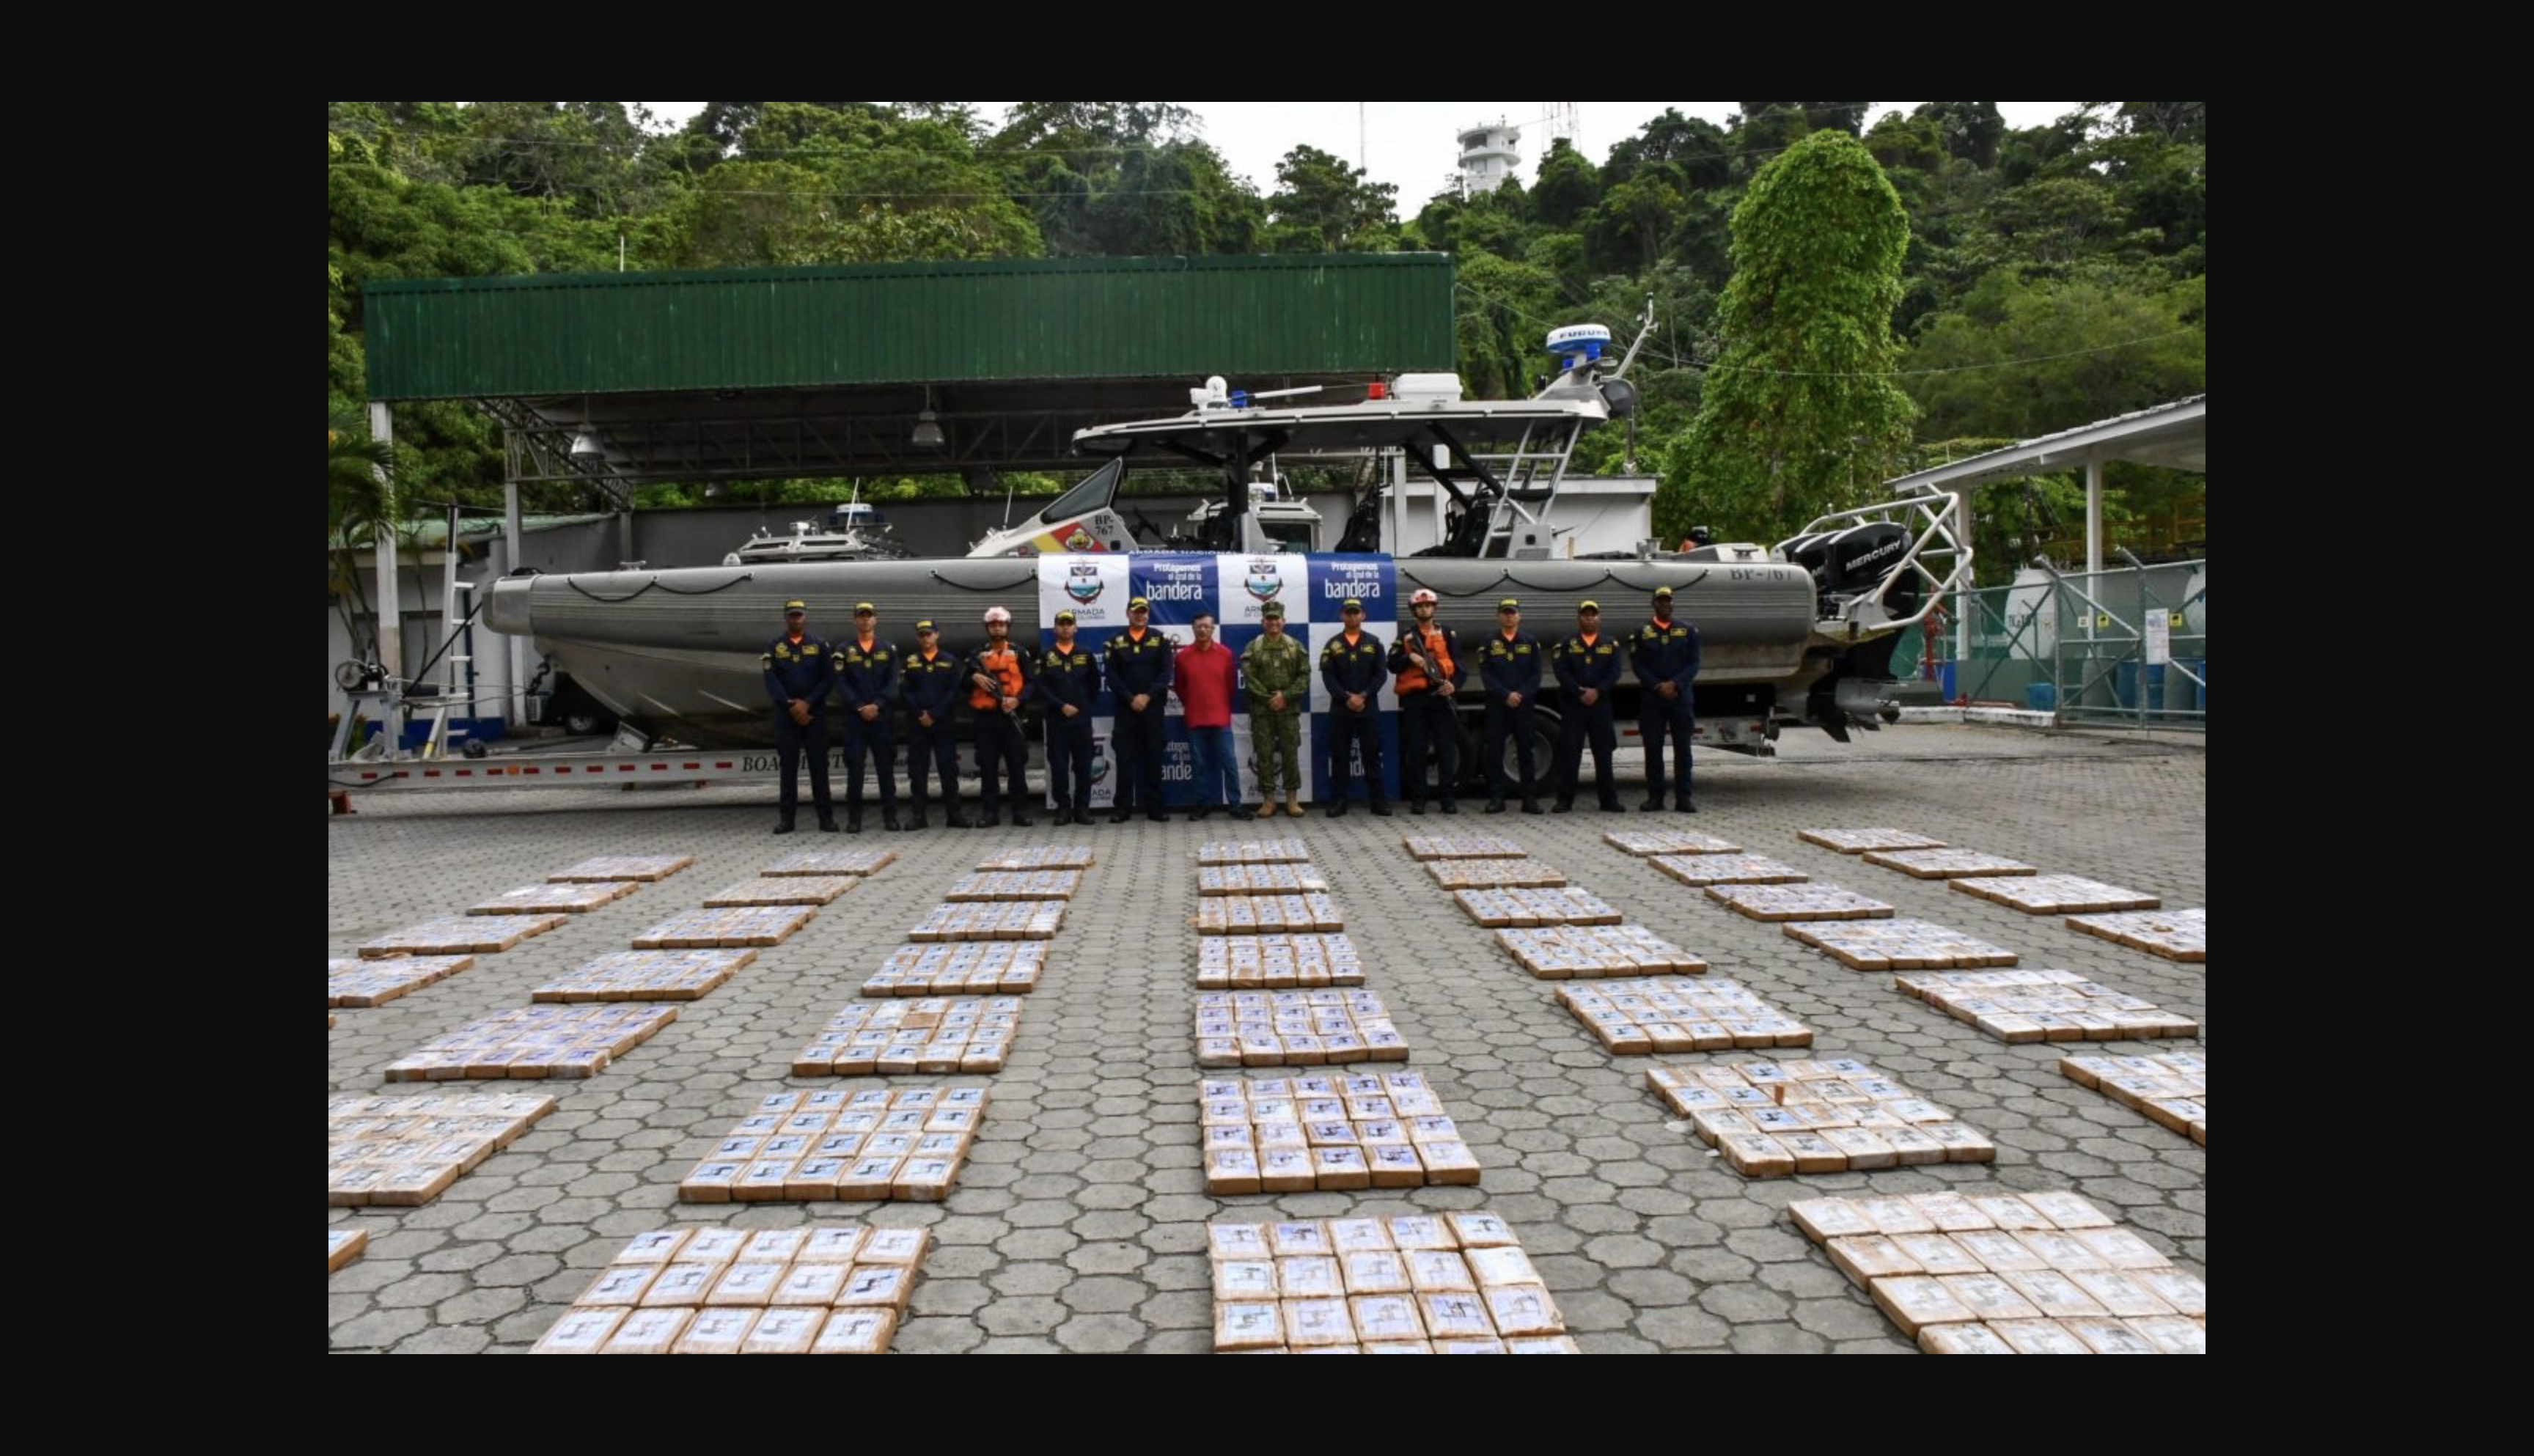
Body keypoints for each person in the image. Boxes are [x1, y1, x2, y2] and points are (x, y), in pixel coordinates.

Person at [761, 599, 839, 834]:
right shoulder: (775, 647)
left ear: (806, 617)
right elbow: (770, 679)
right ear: (786, 618)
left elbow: (829, 678)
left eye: (799, 615)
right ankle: (787, 820)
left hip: (813, 715)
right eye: (792, 615)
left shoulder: (819, 645)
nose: (796, 619)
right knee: (788, 769)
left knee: (819, 768)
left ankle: (826, 819)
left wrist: (807, 703)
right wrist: (790, 705)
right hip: (787, 717)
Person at [1389, 587, 1464, 815]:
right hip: (1415, 700)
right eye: (1420, 606)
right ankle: (1418, 800)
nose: (1424, 609)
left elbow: (1460, 668)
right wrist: (1408, 657)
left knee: (1445, 750)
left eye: (1428, 605)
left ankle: (1448, 800)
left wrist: (1454, 686)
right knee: (1417, 750)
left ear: (1434, 608)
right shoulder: (1405, 637)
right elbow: (1391, 664)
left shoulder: (1448, 634)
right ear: (1414, 610)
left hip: (1442, 698)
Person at [831, 602, 901, 834]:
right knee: (856, 770)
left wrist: (877, 705)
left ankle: (890, 818)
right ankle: (855, 820)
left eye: (869, 616)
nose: (865, 620)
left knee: (885, 770)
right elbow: (840, 682)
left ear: (875, 620)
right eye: (860, 616)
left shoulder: (887, 649)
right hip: (855, 719)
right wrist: (860, 706)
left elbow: (893, 682)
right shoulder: (843, 650)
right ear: (854, 621)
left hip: (881, 717)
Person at [1105, 595, 1175, 823]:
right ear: (1128, 614)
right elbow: (1112, 677)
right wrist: (1129, 698)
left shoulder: (1160, 639)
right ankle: (1122, 808)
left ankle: (1155, 808)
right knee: (1124, 759)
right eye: (1136, 611)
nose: (1140, 614)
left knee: (1154, 757)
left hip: (1152, 708)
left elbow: (1166, 673)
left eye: (1144, 611)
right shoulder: (1115, 641)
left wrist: (1147, 696)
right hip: (1126, 710)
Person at [1318, 598, 1390, 817]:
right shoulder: (1333, 644)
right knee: (1340, 758)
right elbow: (1328, 677)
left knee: (1372, 755)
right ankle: (1339, 802)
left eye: (1356, 612)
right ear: (1342, 616)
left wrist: (1364, 696)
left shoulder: (1375, 642)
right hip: (1342, 709)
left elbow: (1381, 674)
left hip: (1368, 709)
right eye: (1348, 613)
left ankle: (1378, 802)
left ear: (1363, 616)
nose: (1352, 616)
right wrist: (1346, 697)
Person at [965, 606, 1036, 828]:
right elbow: (960, 685)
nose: (997, 628)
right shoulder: (975, 655)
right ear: (987, 628)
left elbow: (1032, 683)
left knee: (1017, 766)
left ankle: (1020, 812)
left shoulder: (1020, 652)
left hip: (1011, 717)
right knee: (987, 767)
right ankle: (990, 813)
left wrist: (1018, 700)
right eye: (993, 625)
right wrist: (974, 677)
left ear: (1008, 627)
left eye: (1001, 624)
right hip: (987, 720)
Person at [1633, 585, 1702, 812]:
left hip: (1681, 699)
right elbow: (1637, 665)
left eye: (1668, 600)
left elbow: (1694, 663)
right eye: (1660, 600)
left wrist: (1676, 684)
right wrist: (1656, 686)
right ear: (1653, 604)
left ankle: (1684, 798)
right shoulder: (1642, 632)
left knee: (1683, 750)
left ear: (1673, 604)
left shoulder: (1687, 630)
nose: (1664, 604)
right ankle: (1655, 798)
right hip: (1653, 700)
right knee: (1653, 750)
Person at [1551, 600, 1626, 813]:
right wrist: (1578, 691)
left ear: (1599, 618)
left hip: (1600, 706)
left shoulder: (1610, 644)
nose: (1589, 618)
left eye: (1593, 615)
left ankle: (1608, 800)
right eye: (1585, 615)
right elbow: (1561, 671)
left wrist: (1598, 691)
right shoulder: (1566, 644)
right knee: (1570, 755)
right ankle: (1565, 800)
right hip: (1574, 706)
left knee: (1604, 754)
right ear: (1579, 618)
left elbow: (1615, 672)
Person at [1241, 599, 1309, 818]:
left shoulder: (1295, 646)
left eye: (1276, 619)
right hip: (1263, 710)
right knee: (1264, 755)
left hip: (1288, 710)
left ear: (1283, 621)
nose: (1273, 623)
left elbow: (1304, 675)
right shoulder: (1254, 647)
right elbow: (1249, 678)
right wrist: (1269, 699)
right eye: (1269, 619)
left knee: (1290, 754)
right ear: (1263, 622)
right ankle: (1268, 800)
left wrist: (1285, 697)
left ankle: (1292, 800)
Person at [1036, 608, 1103, 826]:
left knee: (1084, 766)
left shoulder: (1085, 653)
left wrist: (1081, 706)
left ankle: (1082, 808)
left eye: (1069, 623)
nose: (1065, 627)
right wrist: (1061, 706)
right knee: (1058, 766)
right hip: (1057, 721)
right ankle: (1063, 808)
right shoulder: (1046, 656)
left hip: (1081, 722)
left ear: (1075, 628)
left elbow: (1094, 685)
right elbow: (1041, 688)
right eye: (1061, 624)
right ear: (1055, 628)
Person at [1477, 598, 1544, 815]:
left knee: (1525, 750)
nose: (1509, 616)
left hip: (1523, 705)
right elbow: (1486, 674)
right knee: (1495, 751)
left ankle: (1530, 799)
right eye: (1505, 612)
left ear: (1519, 616)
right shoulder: (1489, 642)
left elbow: (1536, 675)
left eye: (1513, 612)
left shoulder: (1530, 641)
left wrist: (1520, 695)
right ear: (1498, 616)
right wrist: (1505, 695)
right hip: (1498, 705)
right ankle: (1497, 798)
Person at [899, 619, 967, 829]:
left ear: (937, 635)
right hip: (918, 723)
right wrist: (921, 713)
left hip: (943, 722)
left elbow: (953, 691)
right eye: (922, 635)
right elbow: (905, 691)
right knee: (918, 770)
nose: (926, 638)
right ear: (918, 638)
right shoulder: (910, 662)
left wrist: (935, 714)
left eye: (929, 634)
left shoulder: (949, 661)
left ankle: (954, 815)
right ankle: (919, 816)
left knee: (948, 769)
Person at [1173, 611, 1239, 820]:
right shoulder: (1182, 657)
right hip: (1195, 717)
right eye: (1199, 626)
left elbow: (1230, 686)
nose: (1203, 630)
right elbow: (1180, 688)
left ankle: (1236, 805)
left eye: (1207, 626)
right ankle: (1203, 805)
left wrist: (1218, 704)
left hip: (1221, 718)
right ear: (1193, 629)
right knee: (1199, 765)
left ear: (1213, 629)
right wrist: (1194, 704)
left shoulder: (1226, 654)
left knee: (1229, 762)